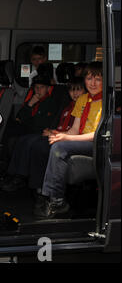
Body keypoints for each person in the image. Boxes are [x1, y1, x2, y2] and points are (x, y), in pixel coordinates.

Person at [35, 62, 103, 219]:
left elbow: (97, 134)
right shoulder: (83, 99)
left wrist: (68, 138)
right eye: (89, 78)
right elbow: (74, 128)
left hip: (98, 143)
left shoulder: (106, 102)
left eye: (98, 79)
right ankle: (43, 192)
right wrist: (61, 135)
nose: (92, 83)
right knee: (51, 143)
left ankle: (56, 199)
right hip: (81, 140)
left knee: (60, 148)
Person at [2, 77, 86, 193]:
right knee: (24, 140)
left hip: (64, 137)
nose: (75, 93)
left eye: (78, 90)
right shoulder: (68, 106)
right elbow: (19, 118)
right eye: (72, 90)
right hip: (56, 133)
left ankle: (38, 187)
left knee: (38, 145)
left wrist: (53, 132)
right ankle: (16, 176)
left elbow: (73, 130)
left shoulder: (74, 105)